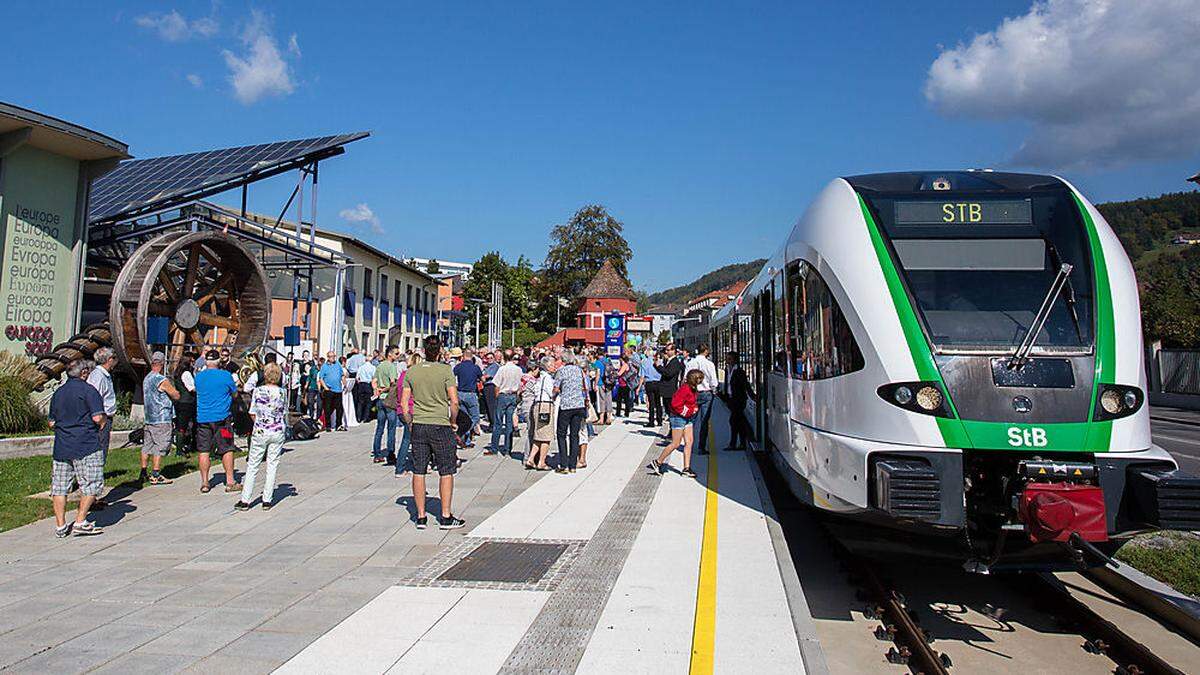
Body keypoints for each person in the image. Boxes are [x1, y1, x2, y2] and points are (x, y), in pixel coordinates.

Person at [400, 335, 464, 530]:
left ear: (423, 350)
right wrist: (453, 422)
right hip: (440, 424)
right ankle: (445, 515)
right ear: (439, 350)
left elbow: (404, 405)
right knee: (446, 470)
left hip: (419, 423)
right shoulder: (445, 370)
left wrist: (410, 423)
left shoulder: (412, 372)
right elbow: (454, 401)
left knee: (418, 470)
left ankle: (420, 516)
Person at [48, 359, 107, 537]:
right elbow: (97, 418)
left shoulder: (58, 393)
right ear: (83, 373)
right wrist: (103, 422)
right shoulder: (89, 391)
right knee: (92, 483)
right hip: (86, 444)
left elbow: (51, 422)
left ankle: (60, 525)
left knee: (59, 487)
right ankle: (81, 520)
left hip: (62, 445)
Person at [235, 362, 288, 511]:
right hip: (277, 430)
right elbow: (283, 412)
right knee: (272, 465)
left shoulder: (258, 391)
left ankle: (245, 500)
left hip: (261, 430)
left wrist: (259, 423)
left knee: (253, 465)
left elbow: (252, 412)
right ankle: (267, 499)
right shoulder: (283, 392)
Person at [195, 348, 241, 493]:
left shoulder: (199, 377)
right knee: (227, 448)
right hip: (222, 419)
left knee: (204, 450)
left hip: (203, 419)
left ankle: (204, 483)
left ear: (206, 362)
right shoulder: (226, 375)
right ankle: (230, 481)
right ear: (218, 361)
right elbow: (234, 394)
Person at [648, 369, 702, 478]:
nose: (701, 381)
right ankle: (658, 462)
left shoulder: (693, 389)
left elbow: (693, 402)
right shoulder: (685, 389)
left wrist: (693, 408)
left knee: (689, 441)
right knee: (676, 443)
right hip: (678, 418)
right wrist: (687, 411)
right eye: (699, 378)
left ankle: (686, 468)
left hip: (688, 417)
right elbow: (675, 404)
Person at [85, 347, 118, 509]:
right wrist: (100, 420)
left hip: (105, 418)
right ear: (108, 359)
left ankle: (93, 494)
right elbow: (94, 398)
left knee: (101, 455)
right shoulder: (98, 376)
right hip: (100, 420)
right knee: (98, 455)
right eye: (114, 358)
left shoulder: (104, 375)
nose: (115, 361)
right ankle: (91, 497)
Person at [141, 352, 180, 485]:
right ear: (162, 364)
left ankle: (143, 471)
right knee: (160, 445)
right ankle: (156, 474)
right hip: (161, 417)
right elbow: (175, 395)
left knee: (147, 445)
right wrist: (177, 392)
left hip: (149, 417)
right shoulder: (161, 379)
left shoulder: (146, 378)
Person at [553, 351, 586, 474]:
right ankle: (573, 465)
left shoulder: (562, 371)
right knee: (574, 435)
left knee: (561, 434)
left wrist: (553, 396)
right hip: (578, 404)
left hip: (566, 405)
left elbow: (556, 388)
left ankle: (563, 464)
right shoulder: (578, 370)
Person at [686, 344, 719, 454]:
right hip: (706, 394)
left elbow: (686, 379)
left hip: (693, 393)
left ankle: (688, 445)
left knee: (691, 421)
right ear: (706, 351)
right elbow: (714, 382)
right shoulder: (709, 364)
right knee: (704, 421)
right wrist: (714, 391)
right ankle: (701, 447)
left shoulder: (690, 363)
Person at [488, 351, 522, 455]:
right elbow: (520, 384)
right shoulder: (518, 369)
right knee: (509, 423)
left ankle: (494, 448)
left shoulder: (502, 369)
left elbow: (496, 384)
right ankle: (508, 449)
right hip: (513, 395)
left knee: (498, 422)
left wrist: (497, 396)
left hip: (503, 395)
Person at [372, 346, 402, 464]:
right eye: (396, 353)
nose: (398, 355)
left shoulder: (379, 366)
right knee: (391, 428)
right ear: (390, 354)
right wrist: (384, 390)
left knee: (379, 427)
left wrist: (376, 390)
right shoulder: (391, 367)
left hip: (380, 400)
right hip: (389, 400)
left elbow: (374, 381)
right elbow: (393, 384)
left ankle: (377, 453)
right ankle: (390, 453)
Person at [524, 357, 554, 470]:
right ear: (547, 366)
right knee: (546, 436)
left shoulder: (539, 378)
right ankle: (541, 462)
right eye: (552, 365)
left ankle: (531, 459)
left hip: (537, 405)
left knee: (538, 434)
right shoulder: (547, 378)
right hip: (545, 405)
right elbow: (551, 392)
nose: (554, 366)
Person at [721, 351, 754, 450]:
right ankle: (741, 443)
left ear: (734, 360)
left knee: (734, 421)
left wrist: (752, 395)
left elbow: (746, 385)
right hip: (731, 399)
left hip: (739, 399)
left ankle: (734, 443)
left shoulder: (739, 371)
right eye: (727, 358)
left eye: (729, 359)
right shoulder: (727, 370)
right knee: (738, 422)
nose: (727, 360)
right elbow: (727, 384)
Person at [393, 352, 419, 476]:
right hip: (409, 410)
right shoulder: (413, 376)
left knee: (410, 438)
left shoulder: (403, 375)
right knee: (408, 439)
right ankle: (400, 468)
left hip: (400, 410)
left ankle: (414, 463)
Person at [453, 349, 483, 448]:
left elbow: (453, 377)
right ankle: (461, 432)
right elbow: (482, 379)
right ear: (472, 357)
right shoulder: (475, 368)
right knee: (475, 417)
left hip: (460, 393)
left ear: (463, 356)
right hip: (471, 393)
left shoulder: (458, 367)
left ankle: (466, 441)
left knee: (464, 417)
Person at [172, 354, 197, 456]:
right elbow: (191, 388)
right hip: (187, 402)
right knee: (184, 426)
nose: (193, 363)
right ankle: (180, 450)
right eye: (191, 361)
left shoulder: (177, 372)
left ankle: (181, 448)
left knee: (181, 426)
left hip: (180, 401)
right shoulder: (186, 373)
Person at [318, 351, 346, 431]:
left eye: (334, 356)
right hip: (329, 390)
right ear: (328, 357)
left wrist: (344, 382)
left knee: (339, 409)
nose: (333, 358)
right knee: (328, 408)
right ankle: (328, 426)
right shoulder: (324, 366)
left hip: (338, 390)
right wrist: (325, 388)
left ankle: (339, 425)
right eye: (331, 356)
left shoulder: (338, 365)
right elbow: (321, 378)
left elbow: (342, 375)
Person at [640, 347, 663, 427]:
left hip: (649, 383)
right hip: (658, 383)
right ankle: (660, 421)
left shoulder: (644, 362)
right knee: (658, 402)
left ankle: (651, 421)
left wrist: (639, 387)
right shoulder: (659, 361)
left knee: (651, 403)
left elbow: (642, 376)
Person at [353, 349, 375, 423]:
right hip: (368, 384)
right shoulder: (373, 368)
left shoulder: (361, 367)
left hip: (361, 384)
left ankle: (359, 417)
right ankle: (366, 417)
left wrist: (359, 382)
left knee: (360, 402)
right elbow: (374, 378)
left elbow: (357, 378)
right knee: (368, 402)